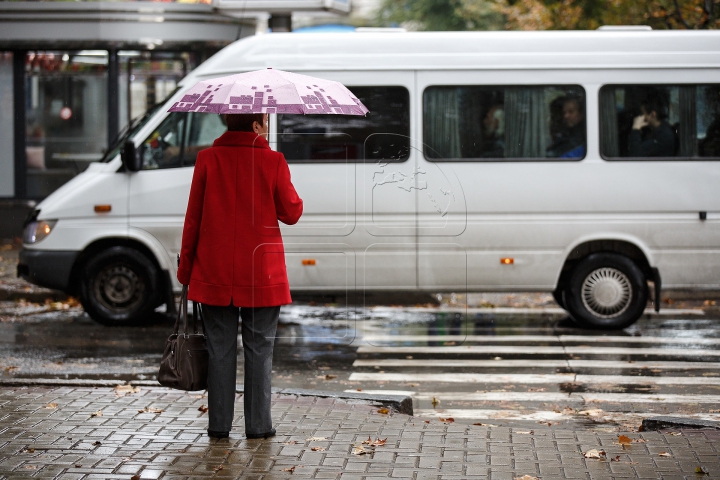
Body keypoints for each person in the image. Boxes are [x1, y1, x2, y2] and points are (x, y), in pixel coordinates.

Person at [177, 113, 303, 440]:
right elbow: (291, 213)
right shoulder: (272, 160)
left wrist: (186, 270)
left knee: (219, 352)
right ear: (257, 124)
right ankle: (259, 427)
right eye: (265, 120)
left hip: (214, 272)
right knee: (260, 351)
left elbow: (193, 218)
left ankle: (219, 425)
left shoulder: (207, 159)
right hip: (262, 273)